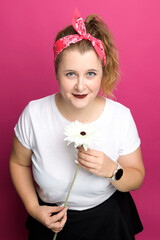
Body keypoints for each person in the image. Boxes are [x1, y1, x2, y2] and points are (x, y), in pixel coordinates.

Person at [10, 8, 145, 240]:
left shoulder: (120, 117)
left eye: (91, 74)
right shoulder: (34, 114)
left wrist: (112, 170)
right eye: (70, 74)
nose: (81, 86)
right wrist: (34, 209)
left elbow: (137, 176)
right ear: (56, 73)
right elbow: (18, 163)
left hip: (107, 220)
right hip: (51, 220)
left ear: (103, 73)